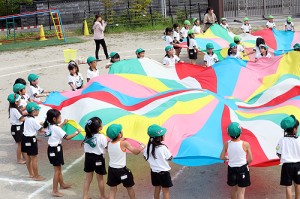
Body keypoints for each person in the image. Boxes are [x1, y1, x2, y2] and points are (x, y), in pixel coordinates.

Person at [44, 109, 80, 197]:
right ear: (54, 119)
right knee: (57, 171)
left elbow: (57, 129)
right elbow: (67, 137)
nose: (61, 118)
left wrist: (63, 123)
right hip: (56, 150)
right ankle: (55, 190)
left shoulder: (50, 126)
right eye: (59, 117)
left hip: (52, 149)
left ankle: (62, 184)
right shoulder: (56, 128)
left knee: (58, 169)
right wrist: (76, 132)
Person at [106, 124, 145, 199]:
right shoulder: (124, 143)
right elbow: (135, 152)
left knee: (112, 190)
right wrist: (142, 146)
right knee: (129, 187)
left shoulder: (109, 143)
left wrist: (119, 139)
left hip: (112, 170)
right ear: (119, 134)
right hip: (122, 170)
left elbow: (115, 142)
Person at [220, 122, 253, 199]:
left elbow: (221, 157)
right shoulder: (245, 144)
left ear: (228, 134)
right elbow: (251, 159)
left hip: (231, 169)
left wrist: (228, 158)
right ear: (240, 132)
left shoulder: (226, 144)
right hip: (243, 168)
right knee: (241, 192)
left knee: (233, 190)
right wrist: (246, 163)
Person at [144, 124, 173, 199]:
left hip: (154, 172)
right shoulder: (163, 148)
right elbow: (170, 158)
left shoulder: (148, 146)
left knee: (157, 189)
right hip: (164, 173)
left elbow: (145, 157)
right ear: (159, 137)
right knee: (165, 191)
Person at [82, 117, 108, 199]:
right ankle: (102, 196)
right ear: (99, 128)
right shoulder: (102, 137)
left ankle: (85, 196)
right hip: (98, 158)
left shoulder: (86, 136)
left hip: (88, 158)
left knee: (88, 178)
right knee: (100, 179)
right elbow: (106, 147)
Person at [276, 115, 300, 199]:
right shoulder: (299, 139)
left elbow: (278, 153)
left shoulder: (281, 140)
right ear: (294, 129)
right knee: (298, 184)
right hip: (298, 165)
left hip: (287, 166)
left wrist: (283, 156)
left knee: (288, 187)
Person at [21, 102, 45, 181]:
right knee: (34, 158)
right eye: (38, 110)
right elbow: (42, 130)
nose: (39, 111)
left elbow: (29, 129)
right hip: (31, 140)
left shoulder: (27, 118)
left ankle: (31, 174)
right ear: (34, 112)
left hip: (25, 138)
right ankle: (36, 176)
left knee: (28, 157)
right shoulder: (33, 120)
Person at [7, 94, 26, 164]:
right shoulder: (14, 110)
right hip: (17, 129)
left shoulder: (13, 108)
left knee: (21, 143)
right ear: (16, 102)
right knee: (20, 144)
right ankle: (19, 159)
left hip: (16, 128)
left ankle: (24, 157)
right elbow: (22, 119)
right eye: (19, 100)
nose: (20, 101)